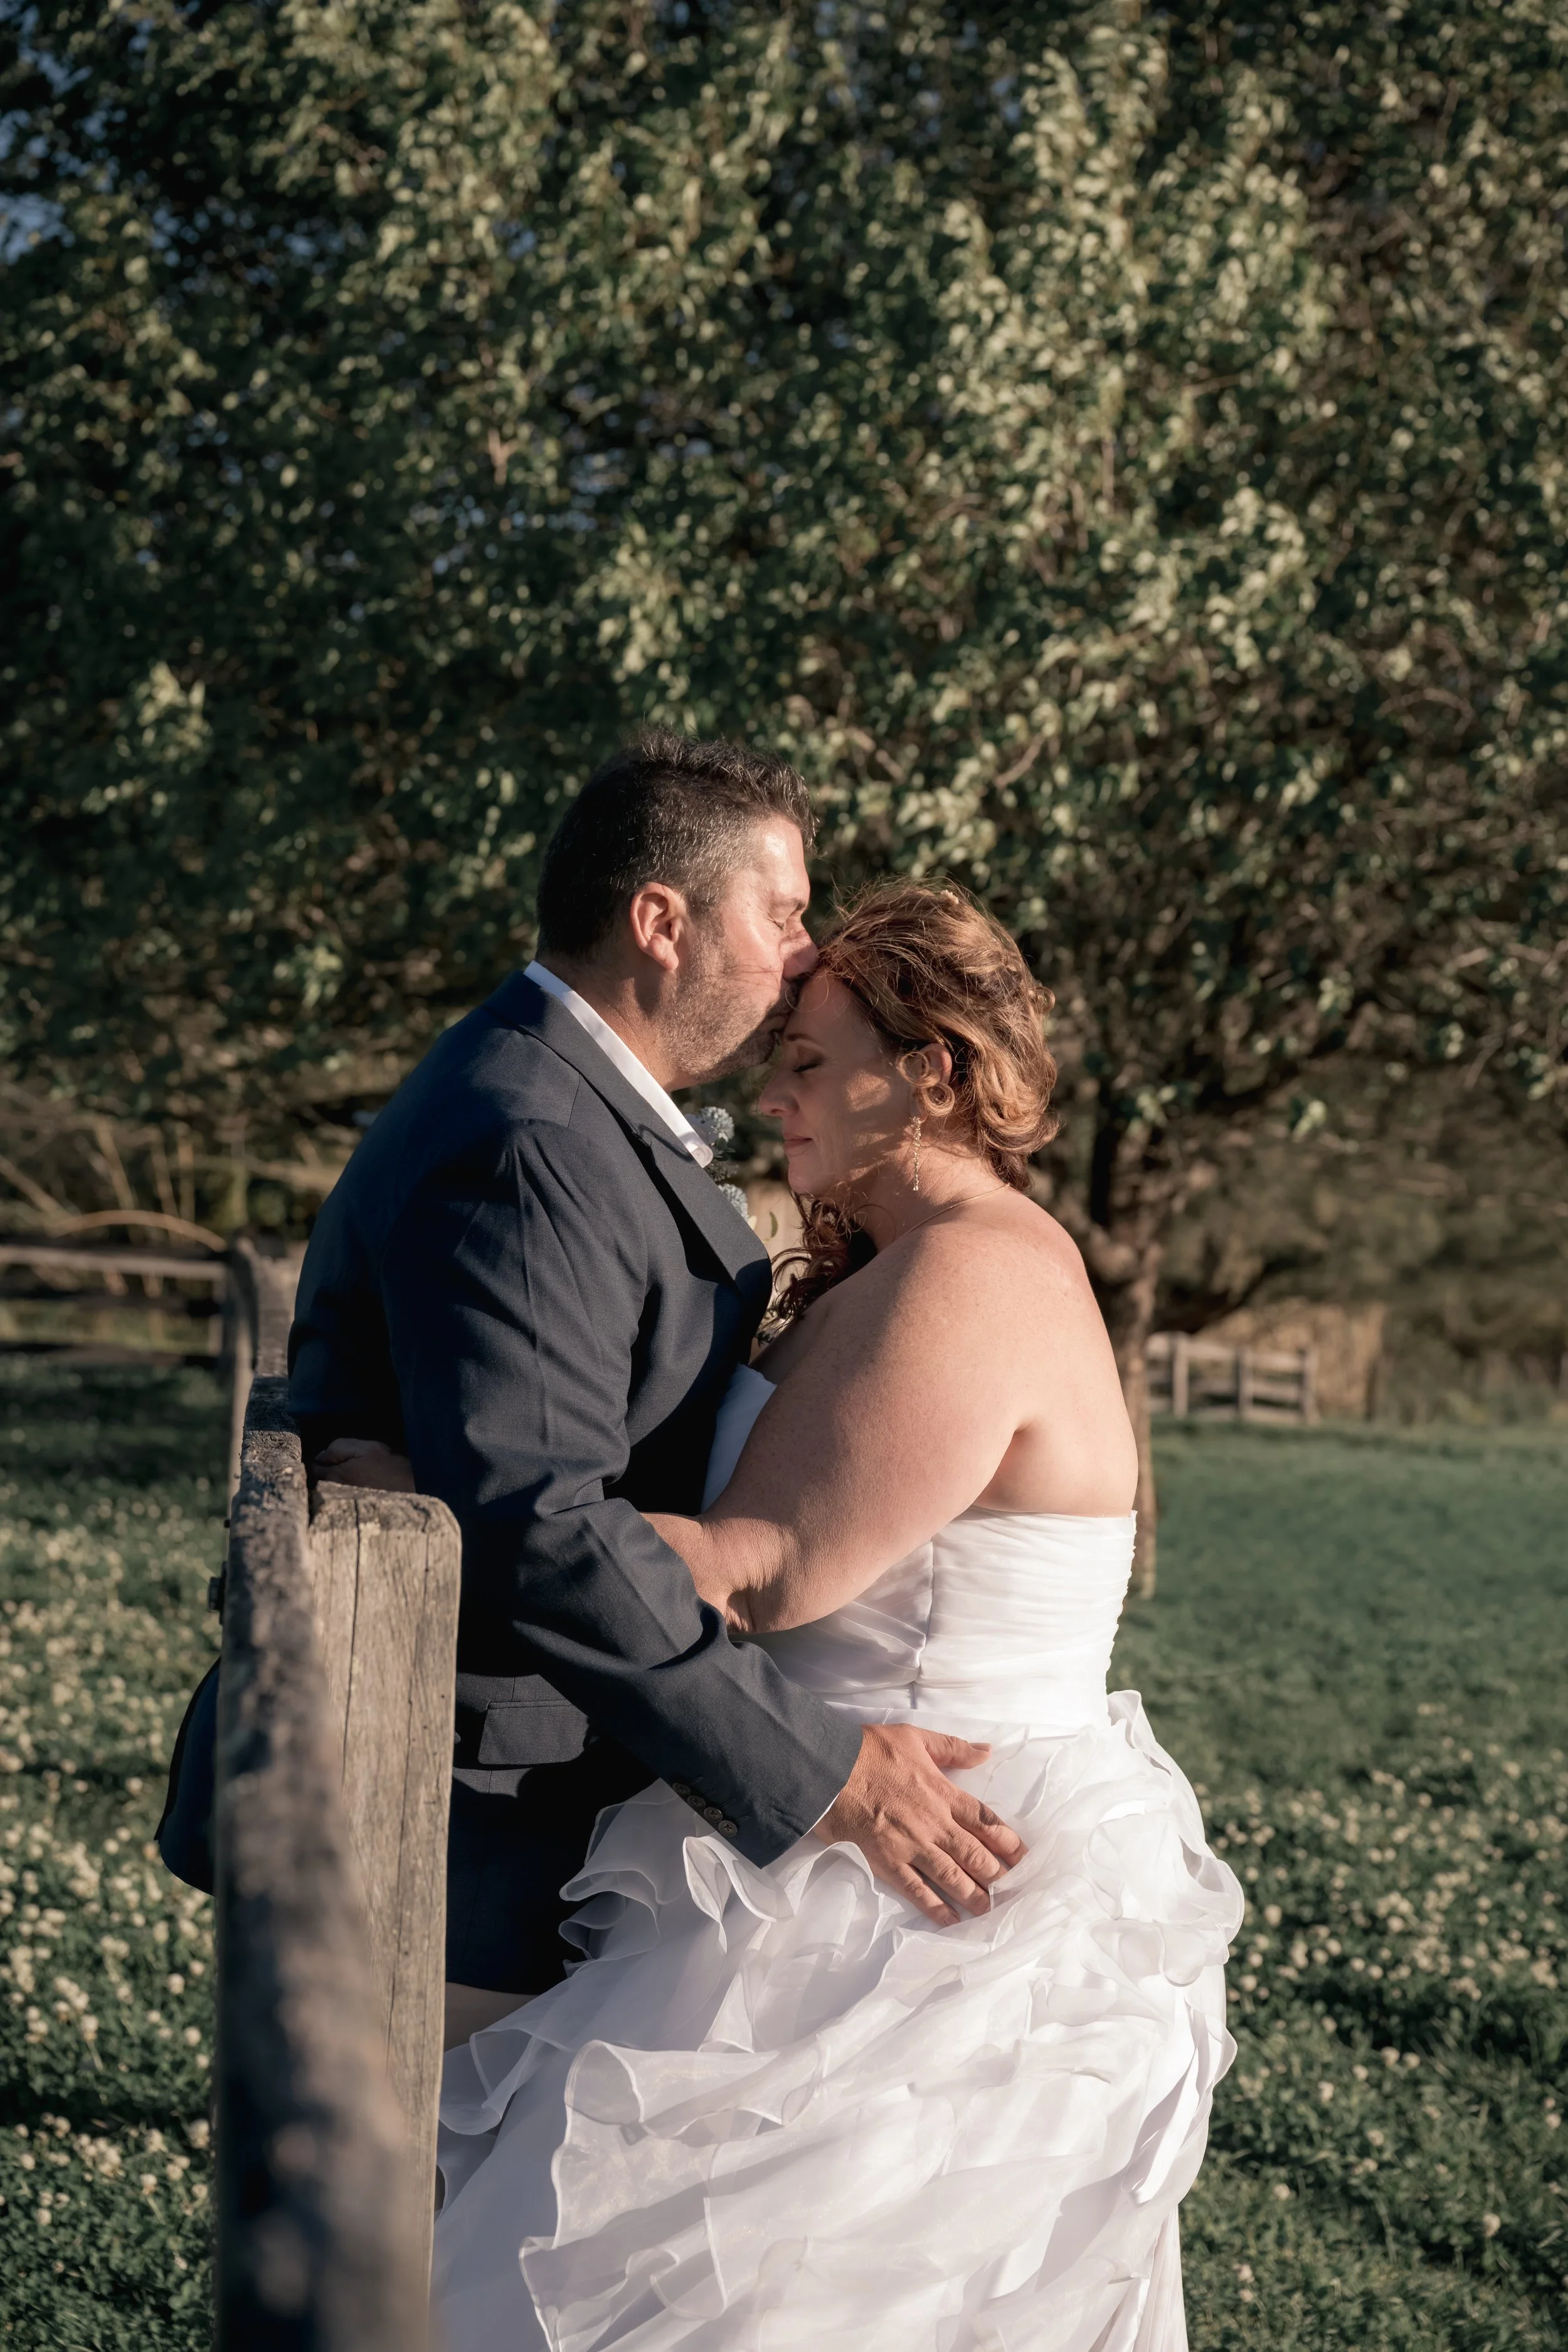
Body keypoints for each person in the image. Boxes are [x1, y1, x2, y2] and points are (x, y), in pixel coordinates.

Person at [332, 880, 1242, 2349]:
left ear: (929, 1074)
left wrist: (447, 1498)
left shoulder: (972, 1274)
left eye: (809, 1063)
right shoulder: (900, 1262)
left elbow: (757, 1566)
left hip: (908, 1880)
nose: (772, 1093)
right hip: (811, 1813)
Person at [285, 734, 1022, 2047]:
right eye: (783, 912)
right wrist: (819, 1771)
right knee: (445, 2241)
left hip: (543, 1785)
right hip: (472, 1820)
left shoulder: (569, 1105)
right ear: (660, 922)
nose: (805, 952)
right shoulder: (533, 1140)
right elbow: (541, 1526)